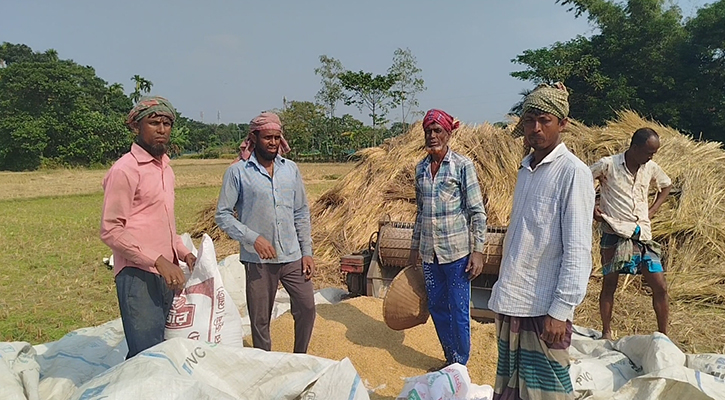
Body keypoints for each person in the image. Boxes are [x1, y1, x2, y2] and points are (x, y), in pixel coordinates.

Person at [488, 83, 595, 399]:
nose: (535, 128)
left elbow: (577, 248)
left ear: (562, 123)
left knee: (547, 392)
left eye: (544, 120)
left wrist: (561, 309)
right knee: (512, 390)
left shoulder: (572, 172)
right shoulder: (526, 170)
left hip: (544, 309)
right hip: (512, 299)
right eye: (529, 120)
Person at [100, 96, 197, 359]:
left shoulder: (165, 168)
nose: (162, 129)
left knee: (164, 349)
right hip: (138, 274)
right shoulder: (125, 170)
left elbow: (163, 223)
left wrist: (182, 251)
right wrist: (156, 260)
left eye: (167, 123)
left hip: (168, 273)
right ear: (136, 127)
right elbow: (111, 229)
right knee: (146, 354)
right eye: (154, 122)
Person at [215, 111, 316, 353]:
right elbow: (223, 215)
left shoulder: (290, 170)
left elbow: (301, 212)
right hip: (258, 260)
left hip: (291, 255)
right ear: (254, 137)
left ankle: (300, 357)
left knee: (307, 308)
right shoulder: (238, 172)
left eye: (276, 137)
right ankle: (264, 362)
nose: (272, 143)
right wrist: (253, 238)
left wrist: (307, 252)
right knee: (260, 319)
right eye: (267, 137)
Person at [407, 109, 487, 371]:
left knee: (459, 310)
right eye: (428, 131)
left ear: (448, 133)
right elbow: (420, 212)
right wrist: (414, 249)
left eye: (437, 131)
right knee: (438, 307)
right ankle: (449, 358)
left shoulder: (463, 166)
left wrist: (478, 252)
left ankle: (460, 364)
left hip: (456, 254)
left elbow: (476, 211)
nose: (432, 136)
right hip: (430, 255)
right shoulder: (420, 169)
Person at [591, 128, 672, 340]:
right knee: (610, 283)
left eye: (653, 153)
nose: (651, 157)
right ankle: (606, 332)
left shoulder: (650, 167)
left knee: (660, 285)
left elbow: (666, 185)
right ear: (634, 148)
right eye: (648, 152)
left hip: (642, 234)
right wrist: (593, 206)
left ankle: (663, 336)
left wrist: (652, 211)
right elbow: (582, 179)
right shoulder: (608, 165)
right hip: (614, 230)